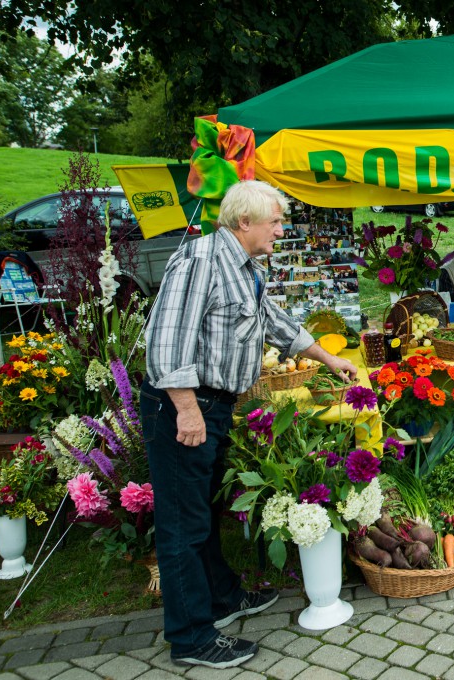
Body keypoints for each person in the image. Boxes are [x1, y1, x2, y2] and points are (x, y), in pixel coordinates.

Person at [140, 180, 358, 669]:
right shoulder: (200, 261)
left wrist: (325, 357)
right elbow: (166, 340)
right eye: (275, 222)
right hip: (185, 406)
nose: (280, 230)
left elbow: (272, 320)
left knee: (202, 514)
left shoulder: (242, 267)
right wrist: (187, 408)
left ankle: (221, 599)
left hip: (211, 405)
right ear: (244, 223)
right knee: (181, 525)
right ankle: (191, 637)